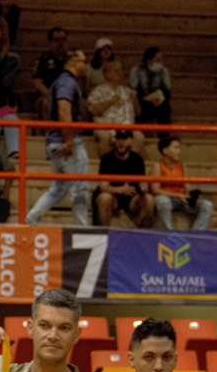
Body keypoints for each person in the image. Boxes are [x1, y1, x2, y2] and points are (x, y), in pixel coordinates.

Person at [26, 50, 90, 226]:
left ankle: (31, 219)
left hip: (55, 139)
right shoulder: (66, 82)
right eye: (84, 61)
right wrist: (68, 140)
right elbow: (64, 109)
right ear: (75, 62)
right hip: (66, 140)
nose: (86, 65)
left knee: (58, 188)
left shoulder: (62, 81)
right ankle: (81, 229)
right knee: (79, 188)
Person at [151, 135, 214, 231]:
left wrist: (192, 197)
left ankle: (196, 235)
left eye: (179, 148)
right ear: (165, 151)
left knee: (207, 205)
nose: (179, 151)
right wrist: (176, 195)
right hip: (167, 198)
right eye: (175, 148)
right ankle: (167, 234)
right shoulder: (157, 166)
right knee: (163, 201)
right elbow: (155, 190)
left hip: (181, 200)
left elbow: (187, 187)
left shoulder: (181, 166)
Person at [94, 130, 152, 227]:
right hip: (113, 196)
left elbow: (143, 185)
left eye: (124, 138)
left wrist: (140, 191)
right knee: (104, 198)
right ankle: (106, 233)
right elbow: (103, 187)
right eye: (118, 138)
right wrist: (120, 190)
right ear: (114, 140)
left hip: (132, 196)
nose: (121, 142)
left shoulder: (137, 159)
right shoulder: (107, 159)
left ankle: (134, 230)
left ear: (131, 141)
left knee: (149, 199)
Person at [87, 60, 143, 156]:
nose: (120, 73)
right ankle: (106, 166)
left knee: (138, 136)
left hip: (127, 127)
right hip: (106, 128)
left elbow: (138, 113)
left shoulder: (128, 92)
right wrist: (110, 101)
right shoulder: (97, 91)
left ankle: (131, 166)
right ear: (106, 74)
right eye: (117, 71)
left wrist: (135, 101)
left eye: (120, 71)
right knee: (104, 137)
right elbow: (93, 110)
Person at [31, 27, 68, 122]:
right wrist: (52, 94)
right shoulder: (42, 60)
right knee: (46, 103)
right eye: (56, 40)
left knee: (83, 103)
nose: (60, 43)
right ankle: (49, 134)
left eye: (63, 40)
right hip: (48, 95)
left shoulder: (72, 60)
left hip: (68, 95)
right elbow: (37, 83)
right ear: (50, 42)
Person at [129, 46, 172, 127]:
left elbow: (167, 90)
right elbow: (133, 89)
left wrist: (160, 99)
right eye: (157, 60)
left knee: (165, 108)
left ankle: (164, 136)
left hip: (158, 101)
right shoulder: (136, 70)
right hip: (142, 101)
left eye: (161, 60)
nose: (160, 63)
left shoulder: (163, 71)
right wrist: (148, 99)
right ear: (149, 60)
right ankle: (137, 132)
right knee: (136, 105)